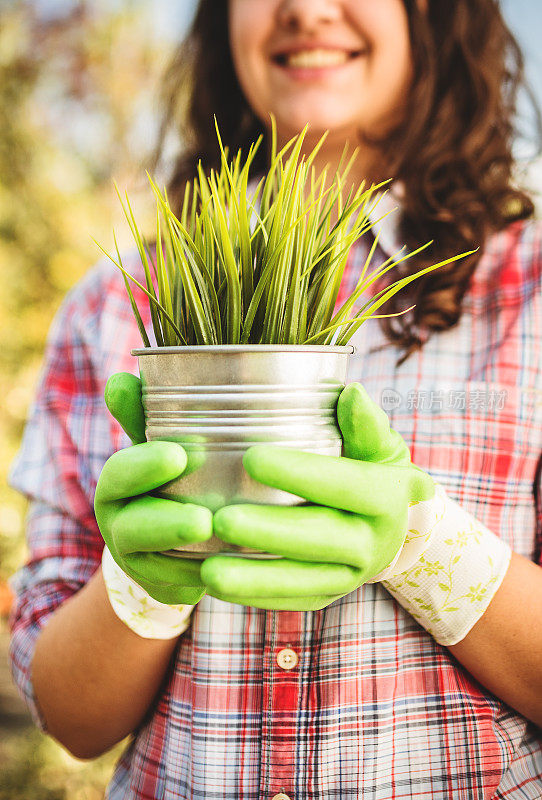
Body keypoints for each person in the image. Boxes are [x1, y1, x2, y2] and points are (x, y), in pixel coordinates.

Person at [7, 1, 542, 798]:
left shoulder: (531, 285)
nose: (306, 9)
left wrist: (423, 544)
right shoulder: (113, 306)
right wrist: (140, 583)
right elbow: (68, 715)